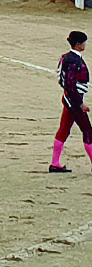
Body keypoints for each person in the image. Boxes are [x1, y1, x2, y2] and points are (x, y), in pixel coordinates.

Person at [51, 31, 91, 173]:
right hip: (74, 101)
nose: (85, 45)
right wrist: (80, 103)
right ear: (79, 45)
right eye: (84, 42)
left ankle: (55, 163)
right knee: (88, 131)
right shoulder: (74, 61)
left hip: (69, 99)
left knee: (64, 130)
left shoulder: (67, 58)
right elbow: (70, 84)